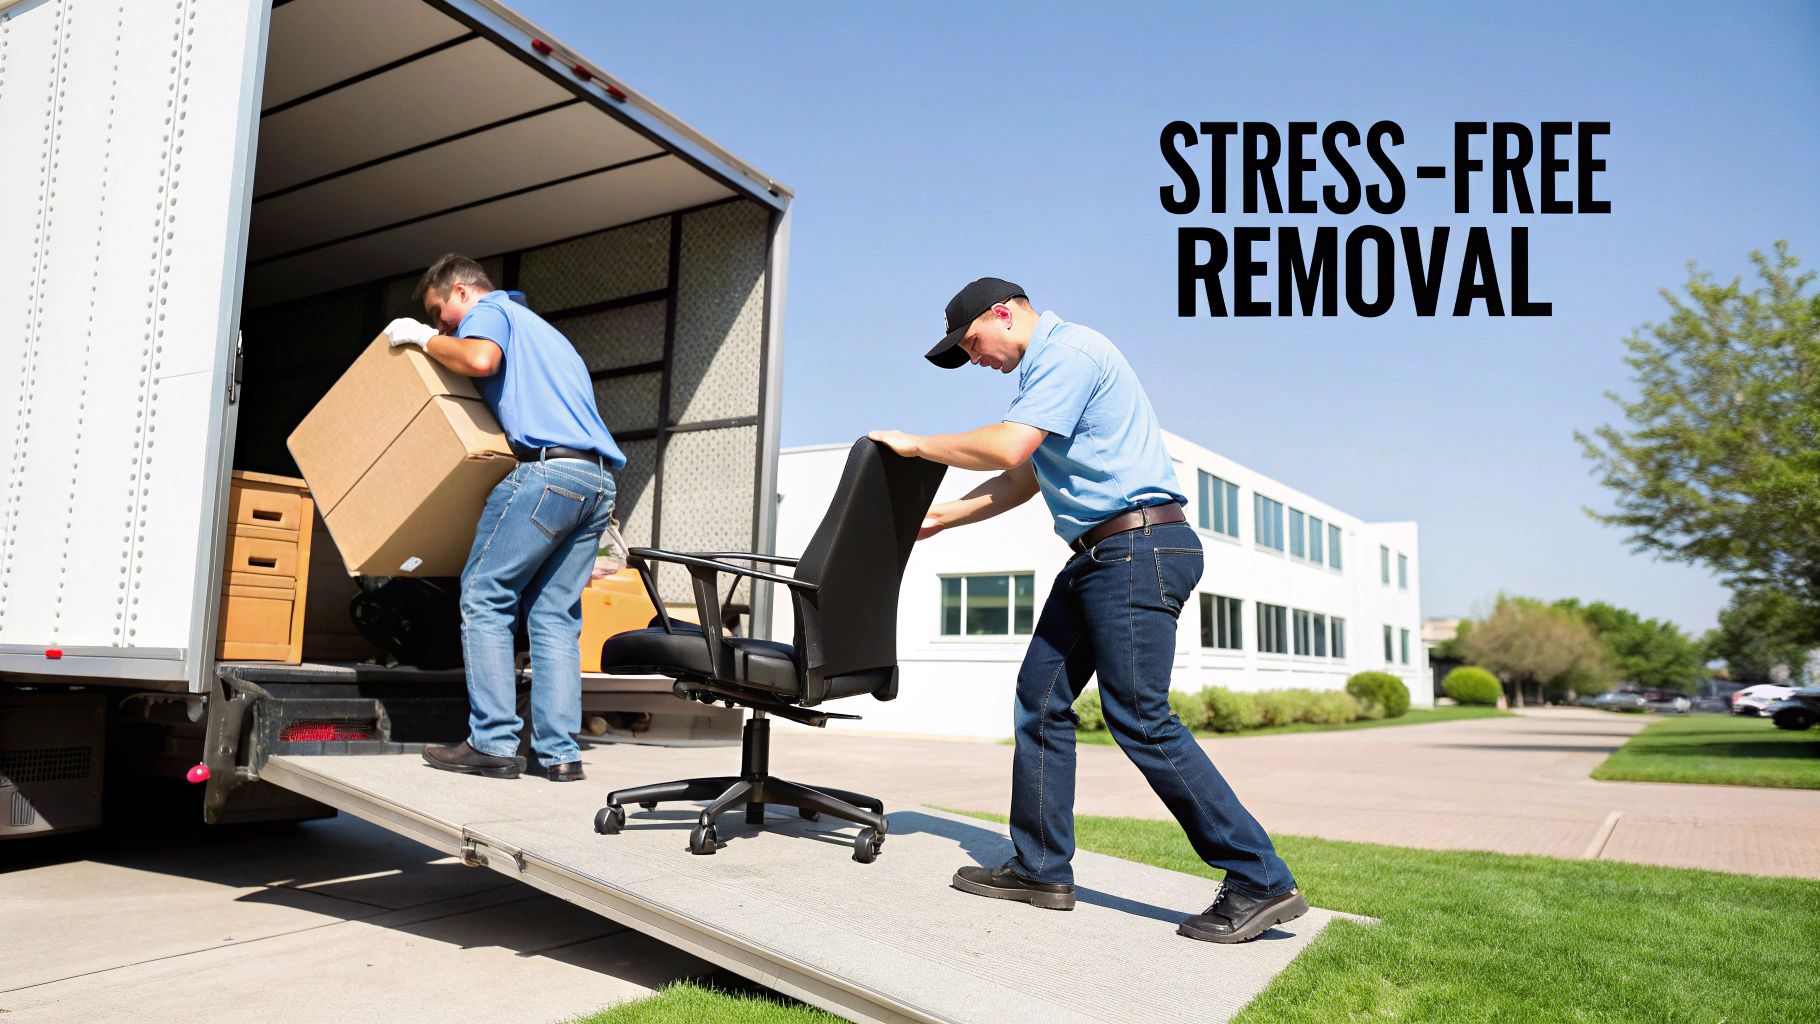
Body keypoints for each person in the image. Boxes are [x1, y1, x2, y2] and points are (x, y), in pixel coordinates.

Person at [867, 277, 1306, 943]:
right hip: (1100, 556)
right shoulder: (1043, 378)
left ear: (1004, 313)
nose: (974, 358)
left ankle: (1260, 877)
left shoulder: (1070, 353)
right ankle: (1041, 869)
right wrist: (944, 518)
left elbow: (1010, 448)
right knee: (1040, 698)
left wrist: (918, 443)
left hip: (1137, 547)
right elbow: (1021, 476)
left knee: (1141, 719)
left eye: (971, 343)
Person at [383, 254, 624, 782]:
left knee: (485, 596)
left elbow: (480, 361)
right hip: (597, 481)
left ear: (463, 292)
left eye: (438, 310)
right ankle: (560, 753)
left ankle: (492, 742)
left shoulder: (489, 313)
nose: (439, 323)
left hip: (547, 475)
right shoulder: (549, 336)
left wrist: (419, 341)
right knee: (554, 619)